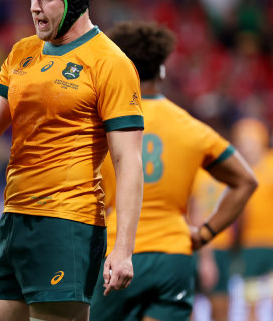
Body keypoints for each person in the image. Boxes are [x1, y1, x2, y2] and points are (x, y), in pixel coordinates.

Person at [0, 0, 145, 321]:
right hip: (14, 220)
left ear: (73, 1)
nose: (34, 7)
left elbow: (128, 160)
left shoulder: (110, 62)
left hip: (67, 223)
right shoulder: (23, 52)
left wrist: (123, 249)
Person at [89, 21, 257, 321]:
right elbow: (246, 181)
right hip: (174, 256)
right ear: (162, 71)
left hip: (115, 252)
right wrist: (205, 234)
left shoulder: (100, 125)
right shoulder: (192, 127)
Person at [231, 118, 273, 321]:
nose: (246, 146)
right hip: (250, 243)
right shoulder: (240, 170)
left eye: (250, 140)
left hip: (270, 241)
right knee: (250, 300)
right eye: (242, 141)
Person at [189, 169, 236, 321]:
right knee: (187, 307)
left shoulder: (228, 169)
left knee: (221, 308)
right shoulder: (192, 170)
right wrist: (206, 258)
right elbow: (196, 213)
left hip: (220, 246)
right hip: (194, 245)